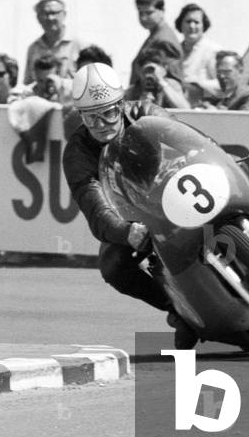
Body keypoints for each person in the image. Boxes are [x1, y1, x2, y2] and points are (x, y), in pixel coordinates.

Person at [61, 62, 197, 348]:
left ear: (121, 105)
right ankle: (180, 309)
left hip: (178, 191)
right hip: (134, 216)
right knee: (112, 266)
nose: (101, 125)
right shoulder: (77, 153)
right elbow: (95, 209)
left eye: (108, 113)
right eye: (91, 118)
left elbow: (191, 142)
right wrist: (126, 232)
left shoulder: (148, 113)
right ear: (81, 116)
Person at [23, 0, 81, 85]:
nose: (50, 18)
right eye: (45, 13)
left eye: (54, 13)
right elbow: (28, 83)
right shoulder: (33, 49)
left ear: (64, 14)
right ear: (38, 17)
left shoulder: (78, 46)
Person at [130, 0, 184, 87]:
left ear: (162, 11)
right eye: (140, 13)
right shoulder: (156, 35)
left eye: (149, 13)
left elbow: (168, 82)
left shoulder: (164, 41)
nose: (143, 18)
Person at [124, 42, 191, 109]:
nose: (150, 75)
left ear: (164, 70)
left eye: (152, 70)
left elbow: (185, 108)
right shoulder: (133, 90)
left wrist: (162, 83)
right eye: (147, 70)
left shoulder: (171, 85)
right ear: (139, 71)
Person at [175, 3, 221, 101]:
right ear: (180, 24)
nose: (192, 26)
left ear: (204, 26)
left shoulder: (212, 51)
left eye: (196, 22)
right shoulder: (175, 50)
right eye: (188, 21)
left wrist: (198, 83)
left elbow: (222, 84)